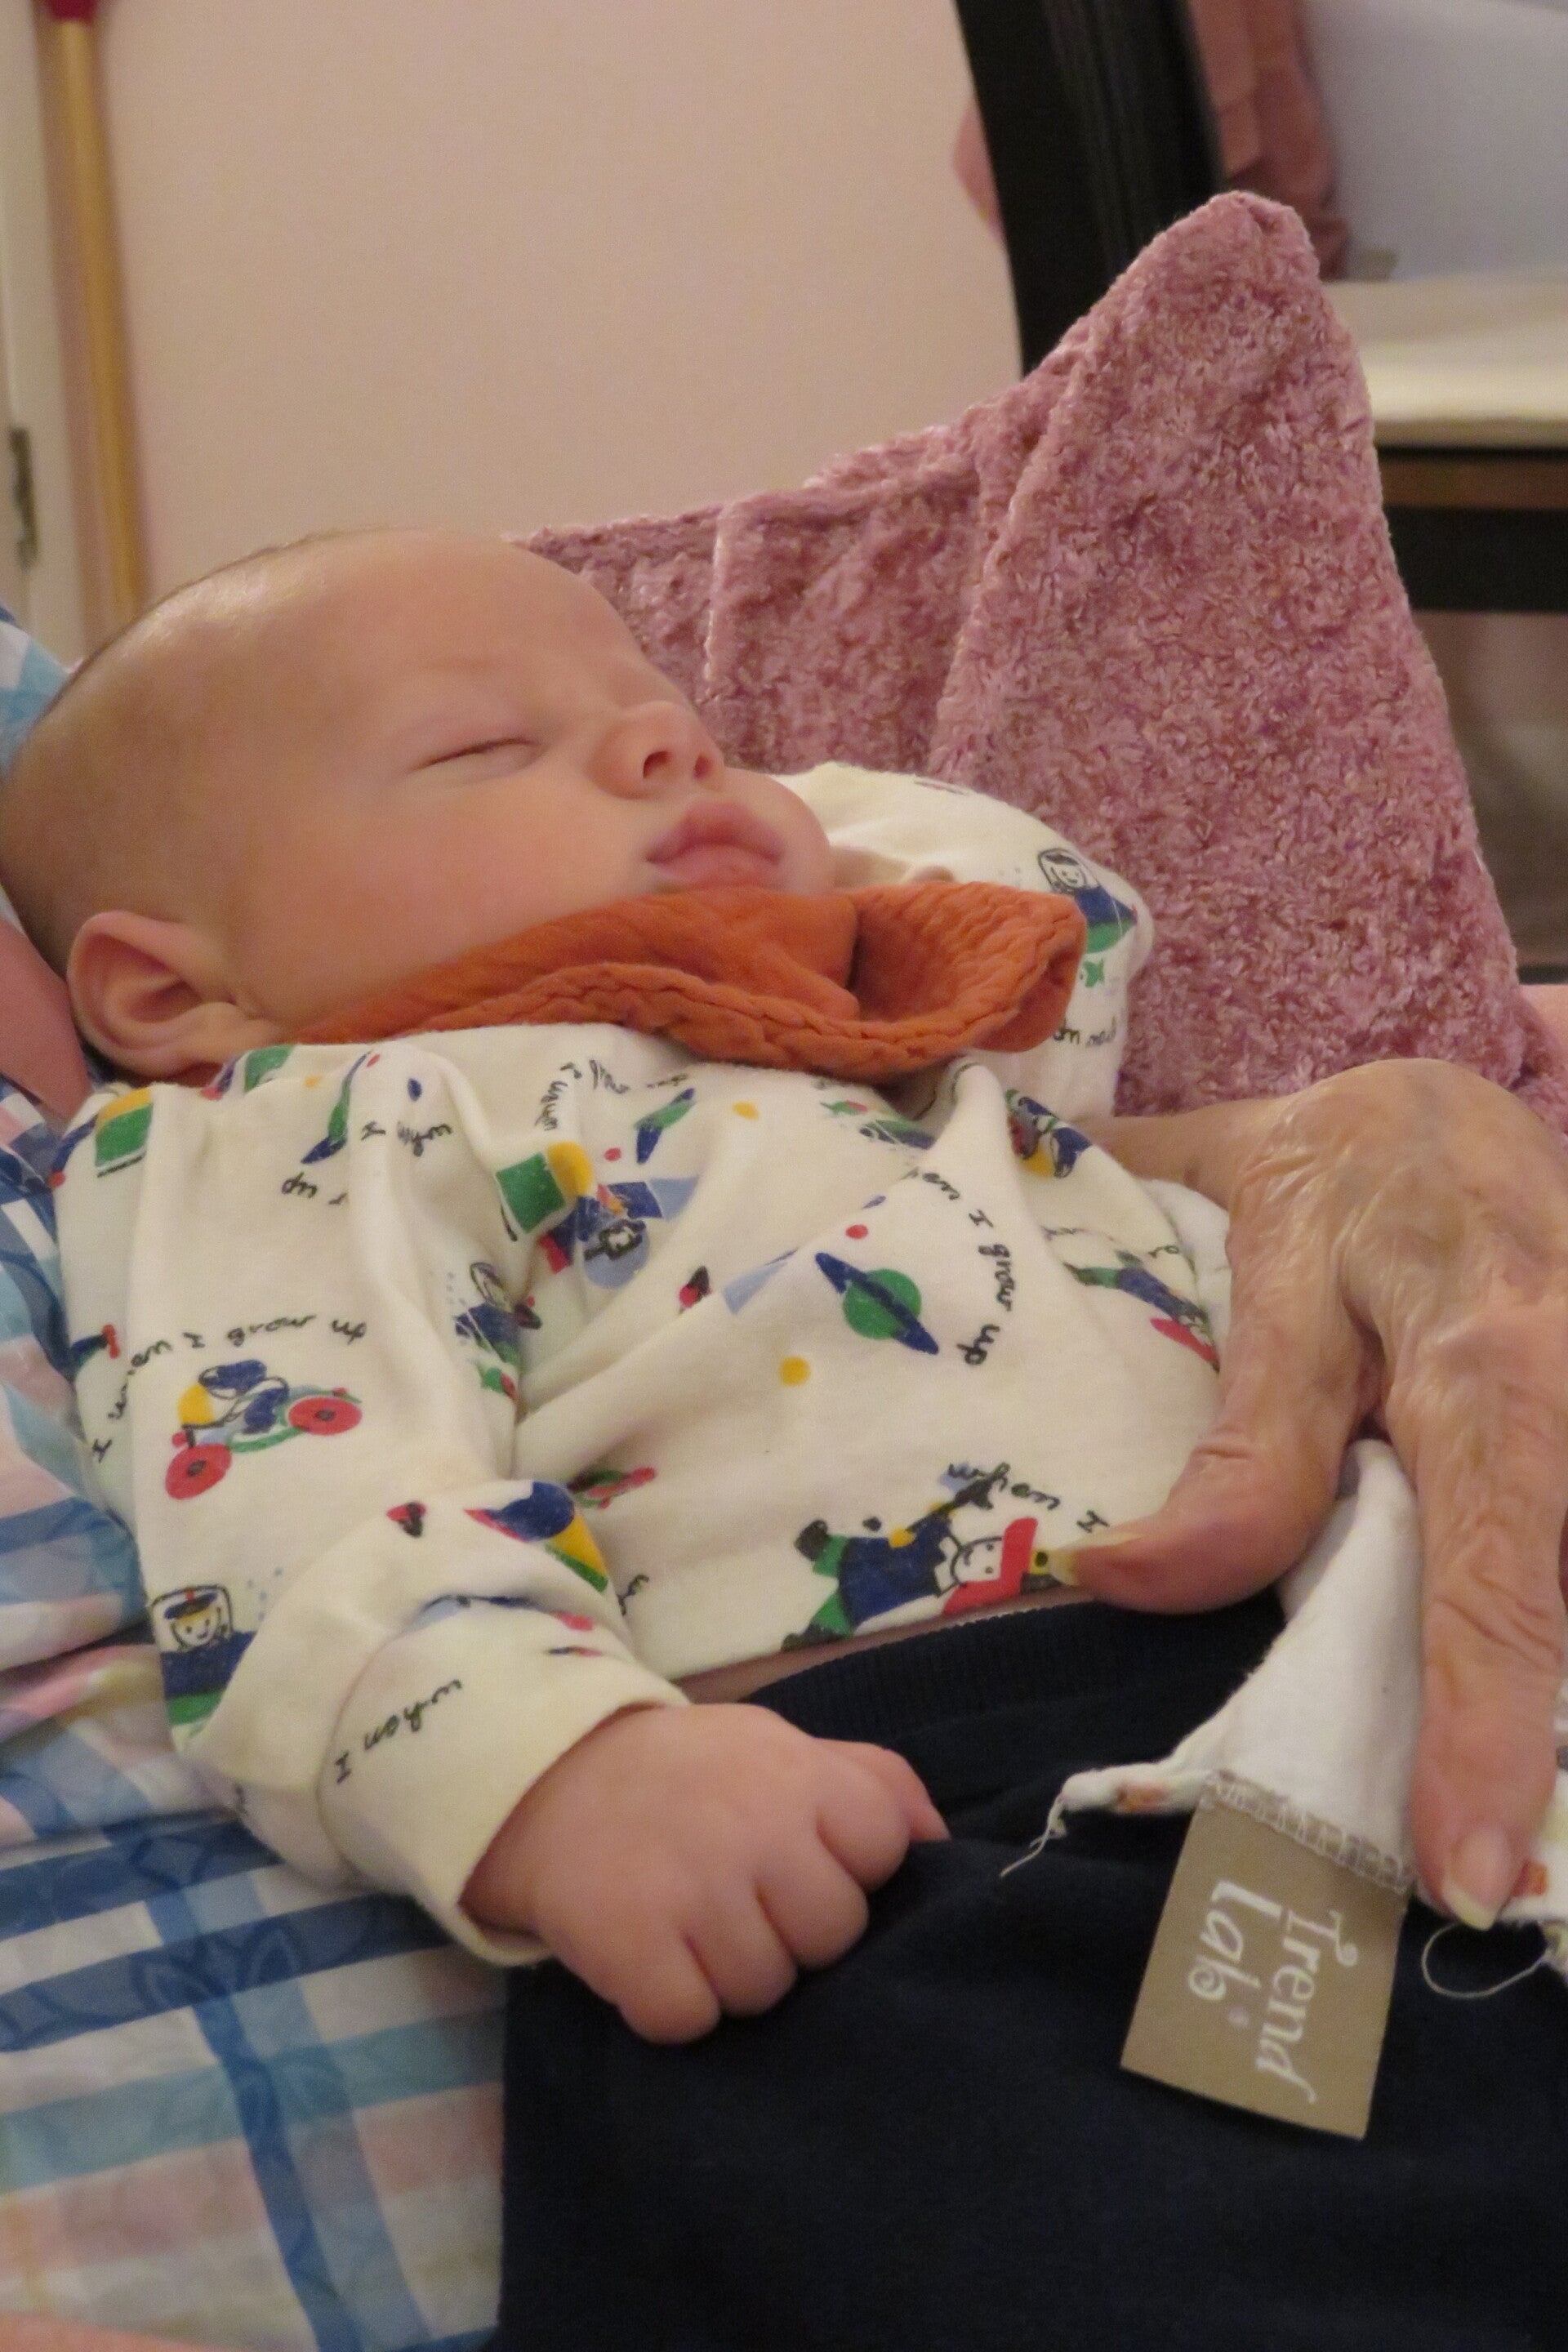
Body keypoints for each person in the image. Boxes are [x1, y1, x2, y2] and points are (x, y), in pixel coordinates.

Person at [6, 528, 1567, 2348]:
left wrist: (757, 842)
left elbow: (1040, 902)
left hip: (1357, 1720)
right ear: (175, 994)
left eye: (683, 722)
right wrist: (564, 1782)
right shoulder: (307, 1122)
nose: (667, 747)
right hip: (870, 1827)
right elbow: (299, 1505)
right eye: (483, 748)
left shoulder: (897, 1056)